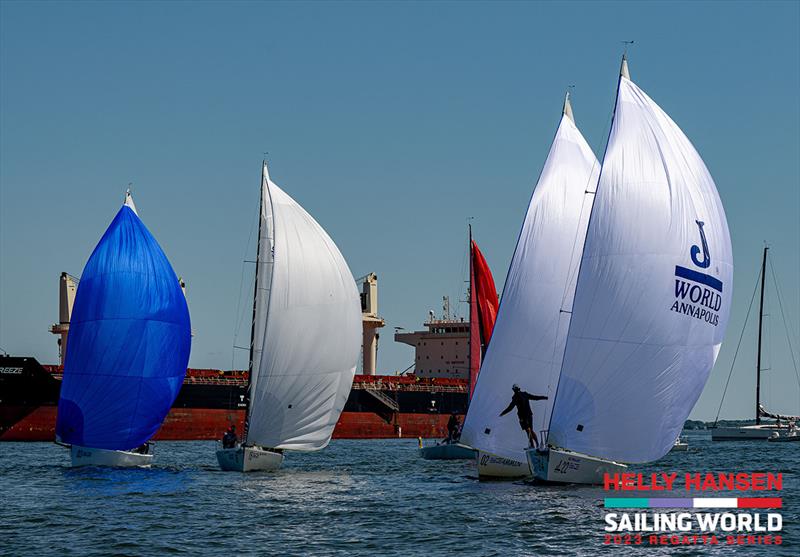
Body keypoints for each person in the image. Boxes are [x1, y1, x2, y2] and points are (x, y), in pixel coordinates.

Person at [499, 384, 548, 448]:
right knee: (531, 430)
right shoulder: (525, 394)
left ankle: (533, 445)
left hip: (523, 417)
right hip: (529, 415)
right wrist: (545, 397)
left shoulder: (515, 397)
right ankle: (537, 444)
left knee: (528, 431)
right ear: (519, 388)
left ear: (513, 390)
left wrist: (502, 413)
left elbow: (510, 408)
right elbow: (535, 397)